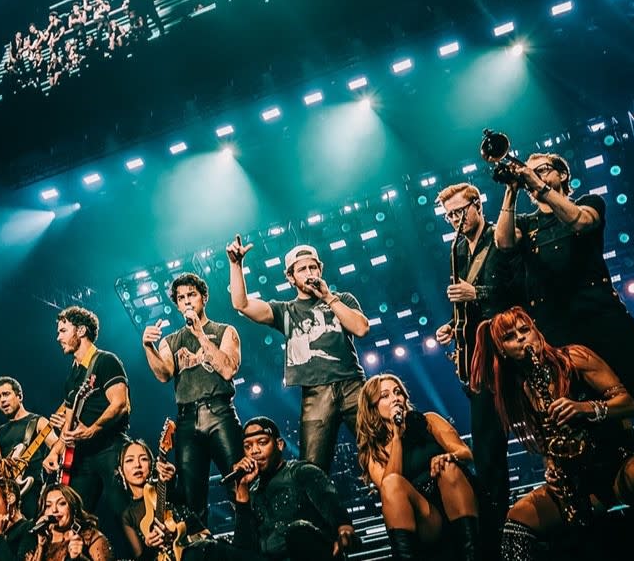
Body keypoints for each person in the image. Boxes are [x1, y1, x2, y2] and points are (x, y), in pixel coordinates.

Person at [494, 153, 634, 486]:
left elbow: (580, 222)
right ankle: (621, 483)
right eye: (532, 171)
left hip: (603, 317)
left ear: (562, 175)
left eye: (542, 169)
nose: (534, 174)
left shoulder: (588, 202)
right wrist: (512, 189)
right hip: (558, 330)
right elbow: (503, 243)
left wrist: (536, 183)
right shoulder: (526, 224)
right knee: (580, 409)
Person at [473, 307, 634, 560]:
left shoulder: (575, 357)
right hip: (578, 479)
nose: (521, 338)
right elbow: (547, 443)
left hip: (619, 460)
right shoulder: (523, 389)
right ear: (502, 350)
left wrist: (585, 408)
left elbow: (628, 403)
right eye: (510, 337)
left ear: (537, 331)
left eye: (525, 329)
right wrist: (551, 468)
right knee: (518, 519)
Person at [227, 238, 370, 472]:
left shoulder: (342, 299)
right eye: (302, 269)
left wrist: (328, 297)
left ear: (321, 270)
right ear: (290, 277)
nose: (309, 272)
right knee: (312, 469)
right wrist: (236, 265)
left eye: (313, 267)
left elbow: (361, 328)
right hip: (315, 393)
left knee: (380, 446)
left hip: (352, 385)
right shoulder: (285, 311)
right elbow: (241, 305)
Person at [434, 182, 519, 557]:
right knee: (487, 447)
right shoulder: (456, 249)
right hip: (478, 358)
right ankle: (498, 529)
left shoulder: (500, 236)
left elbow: (520, 287)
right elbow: (466, 305)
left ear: (477, 205)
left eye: (460, 211)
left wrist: (478, 294)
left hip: (510, 346)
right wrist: (453, 326)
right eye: (449, 215)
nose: (455, 219)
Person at [142, 272, 242, 526]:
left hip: (219, 412)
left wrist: (200, 334)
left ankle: (252, 541)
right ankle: (200, 544)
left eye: (192, 295)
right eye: (181, 298)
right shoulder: (170, 341)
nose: (186, 301)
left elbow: (228, 369)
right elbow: (164, 374)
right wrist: (148, 347)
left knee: (239, 484)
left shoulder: (225, 331)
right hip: (187, 419)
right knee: (191, 499)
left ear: (204, 298)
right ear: (177, 304)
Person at [184, 417, 356, 561]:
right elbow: (244, 549)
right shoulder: (251, 491)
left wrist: (344, 528)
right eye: (248, 446)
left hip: (307, 553)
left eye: (262, 442)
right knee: (201, 549)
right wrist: (242, 490)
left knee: (298, 530)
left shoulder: (301, 472)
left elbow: (331, 504)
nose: (254, 451)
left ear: (279, 444)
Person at [355, 374, 479, 560]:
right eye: (385, 396)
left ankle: (472, 554)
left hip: (455, 493)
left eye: (398, 392)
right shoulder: (374, 453)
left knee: (448, 468)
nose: (395, 398)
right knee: (392, 482)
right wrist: (397, 437)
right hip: (425, 517)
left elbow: (465, 453)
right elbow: (389, 487)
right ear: (372, 407)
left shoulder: (429, 421)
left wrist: (448, 457)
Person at [50, 306, 131, 547]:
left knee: (124, 512)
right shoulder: (72, 376)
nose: (58, 337)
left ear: (81, 331)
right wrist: (55, 451)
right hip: (82, 457)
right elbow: (68, 422)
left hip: (110, 448)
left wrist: (93, 429)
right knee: (78, 517)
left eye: (63, 330)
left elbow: (121, 404)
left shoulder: (106, 360)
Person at [0, 376, 63, 519]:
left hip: (32, 492)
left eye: (6, 394)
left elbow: (57, 446)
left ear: (20, 396)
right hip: (8, 496)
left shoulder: (38, 422)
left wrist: (53, 453)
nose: (2, 400)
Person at [117, 439, 197, 561]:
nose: (137, 465)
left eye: (143, 459)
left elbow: (193, 515)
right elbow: (139, 558)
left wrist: (172, 478)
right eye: (129, 460)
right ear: (121, 470)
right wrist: (149, 546)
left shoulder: (165, 490)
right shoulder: (128, 515)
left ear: (152, 465)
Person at [27, 484, 114, 561]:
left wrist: (79, 558)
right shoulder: (38, 540)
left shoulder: (91, 538)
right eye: (48, 505)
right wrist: (41, 547)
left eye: (61, 503)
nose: (54, 510)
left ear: (73, 508)